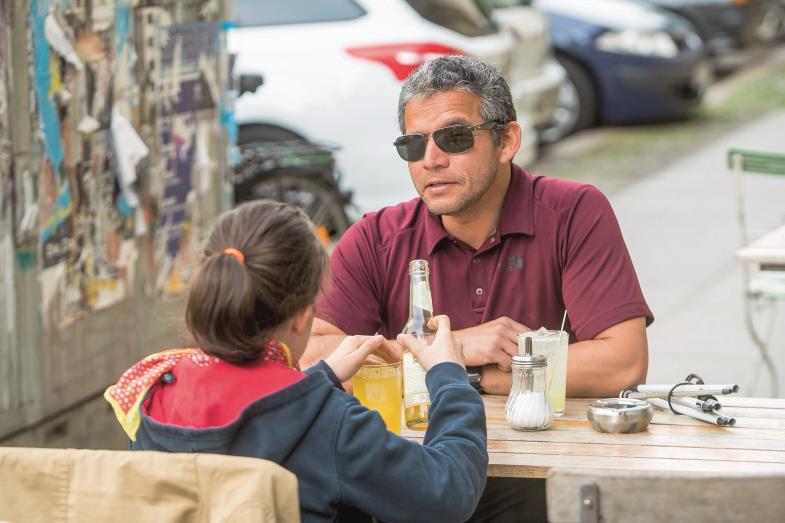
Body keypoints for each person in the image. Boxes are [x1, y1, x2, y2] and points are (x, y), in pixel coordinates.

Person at [305, 55, 654, 522]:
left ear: (507, 140)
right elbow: (312, 358)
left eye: (454, 137)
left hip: (534, 478)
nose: (432, 160)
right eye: (413, 145)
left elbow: (622, 362)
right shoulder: (375, 237)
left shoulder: (574, 211)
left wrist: (463, 377)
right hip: (415, 479)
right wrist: (456, 349)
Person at [105, 200, 488, 523]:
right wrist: (449, 376)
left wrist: (319, 379)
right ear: (304, 317)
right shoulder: (329, 423)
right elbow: (448, 493)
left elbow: (256, 416)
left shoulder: (153, 389)